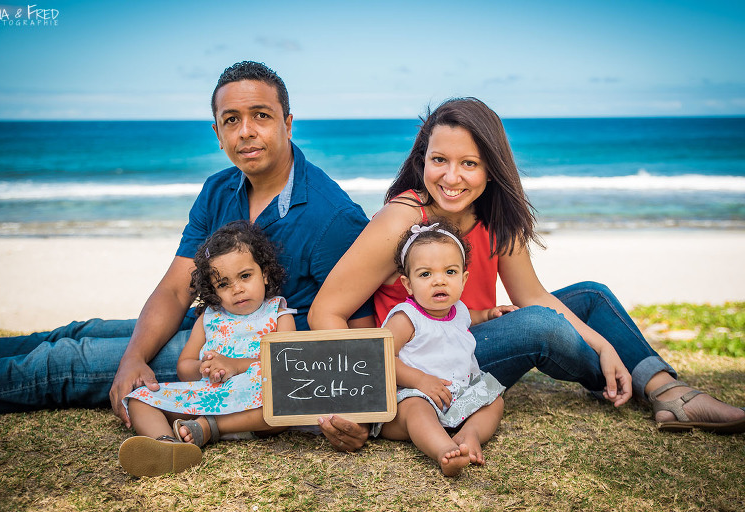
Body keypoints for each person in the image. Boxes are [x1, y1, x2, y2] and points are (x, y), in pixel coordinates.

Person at [0, 61, 373, 449]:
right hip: (210, 321)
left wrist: (357, 416)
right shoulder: (218, 189)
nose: (247, 132)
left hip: (244, 358)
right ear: (217, 132)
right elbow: (175, 290)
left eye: (261, 116)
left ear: (287, 124)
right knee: (79, 330)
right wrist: (134, 356)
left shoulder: (332, 217)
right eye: (231, 120)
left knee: (64, 361)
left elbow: (361, 334)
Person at [308, 97, 745, 438]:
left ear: (491, 169)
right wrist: (372, 393)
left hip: (472, 332)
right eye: (439, 160)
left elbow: (531, 295)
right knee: (540, 327)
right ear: (423, 159)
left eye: (469, 163)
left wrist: (604, 344)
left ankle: (665, 388)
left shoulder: (497, 216)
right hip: (425, 358)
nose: (451, 177)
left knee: (590, 296)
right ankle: (651, 389)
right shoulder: (403, 219)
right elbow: (325, 312)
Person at [119, 221, 293, 477]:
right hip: (210, 396)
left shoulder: (278, 313)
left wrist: (235, 366)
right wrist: (204, 368)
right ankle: (167, 445)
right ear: (213, 290)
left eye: (245, 276)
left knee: (286, 401)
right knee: (139, 399)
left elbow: (288, 364)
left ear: (265, 273)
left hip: (255, 405)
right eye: (223, 284)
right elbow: (184, 365)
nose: (237, 289)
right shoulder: (209, 317)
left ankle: (211, 427)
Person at [380, 220, 504, 476]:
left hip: (456, 395)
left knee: (494, 400)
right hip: (413, 396)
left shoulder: (458, 310)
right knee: (417, 411)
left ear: (463, 278)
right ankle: (444, 450)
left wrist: (488, 314)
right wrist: (420, 380)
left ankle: (470, 434)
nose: (439, 281)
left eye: (449, 272)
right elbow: (379, 355)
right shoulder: (406, 318)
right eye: (426, 274)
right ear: (408, 284)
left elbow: (470, 316)